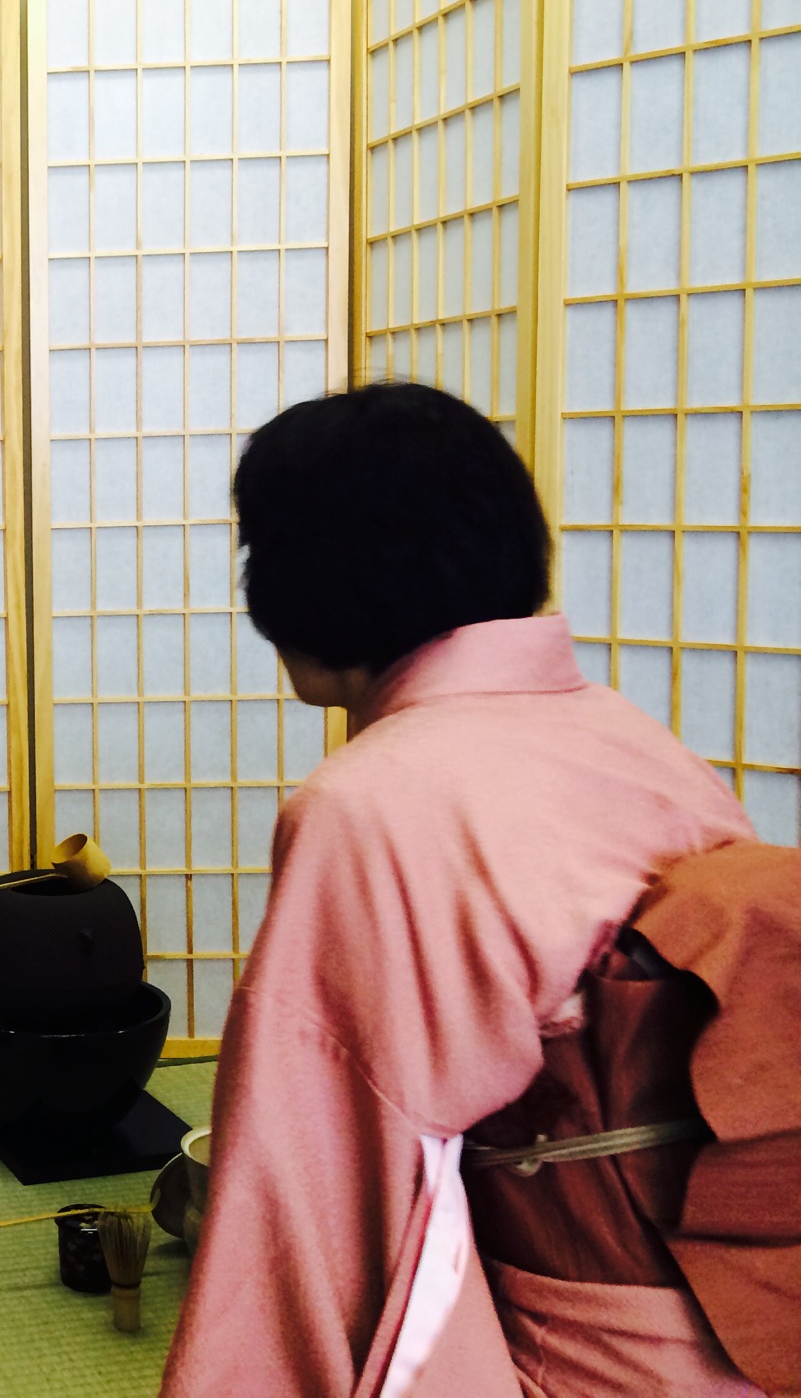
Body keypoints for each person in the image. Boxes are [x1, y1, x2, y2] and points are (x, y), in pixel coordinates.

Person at [160, 383, 763, 1395]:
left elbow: (306, 1176)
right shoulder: (635, 741)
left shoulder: (364, 806)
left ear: (304, 583)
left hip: (574, 1348)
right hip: (748, 1317)